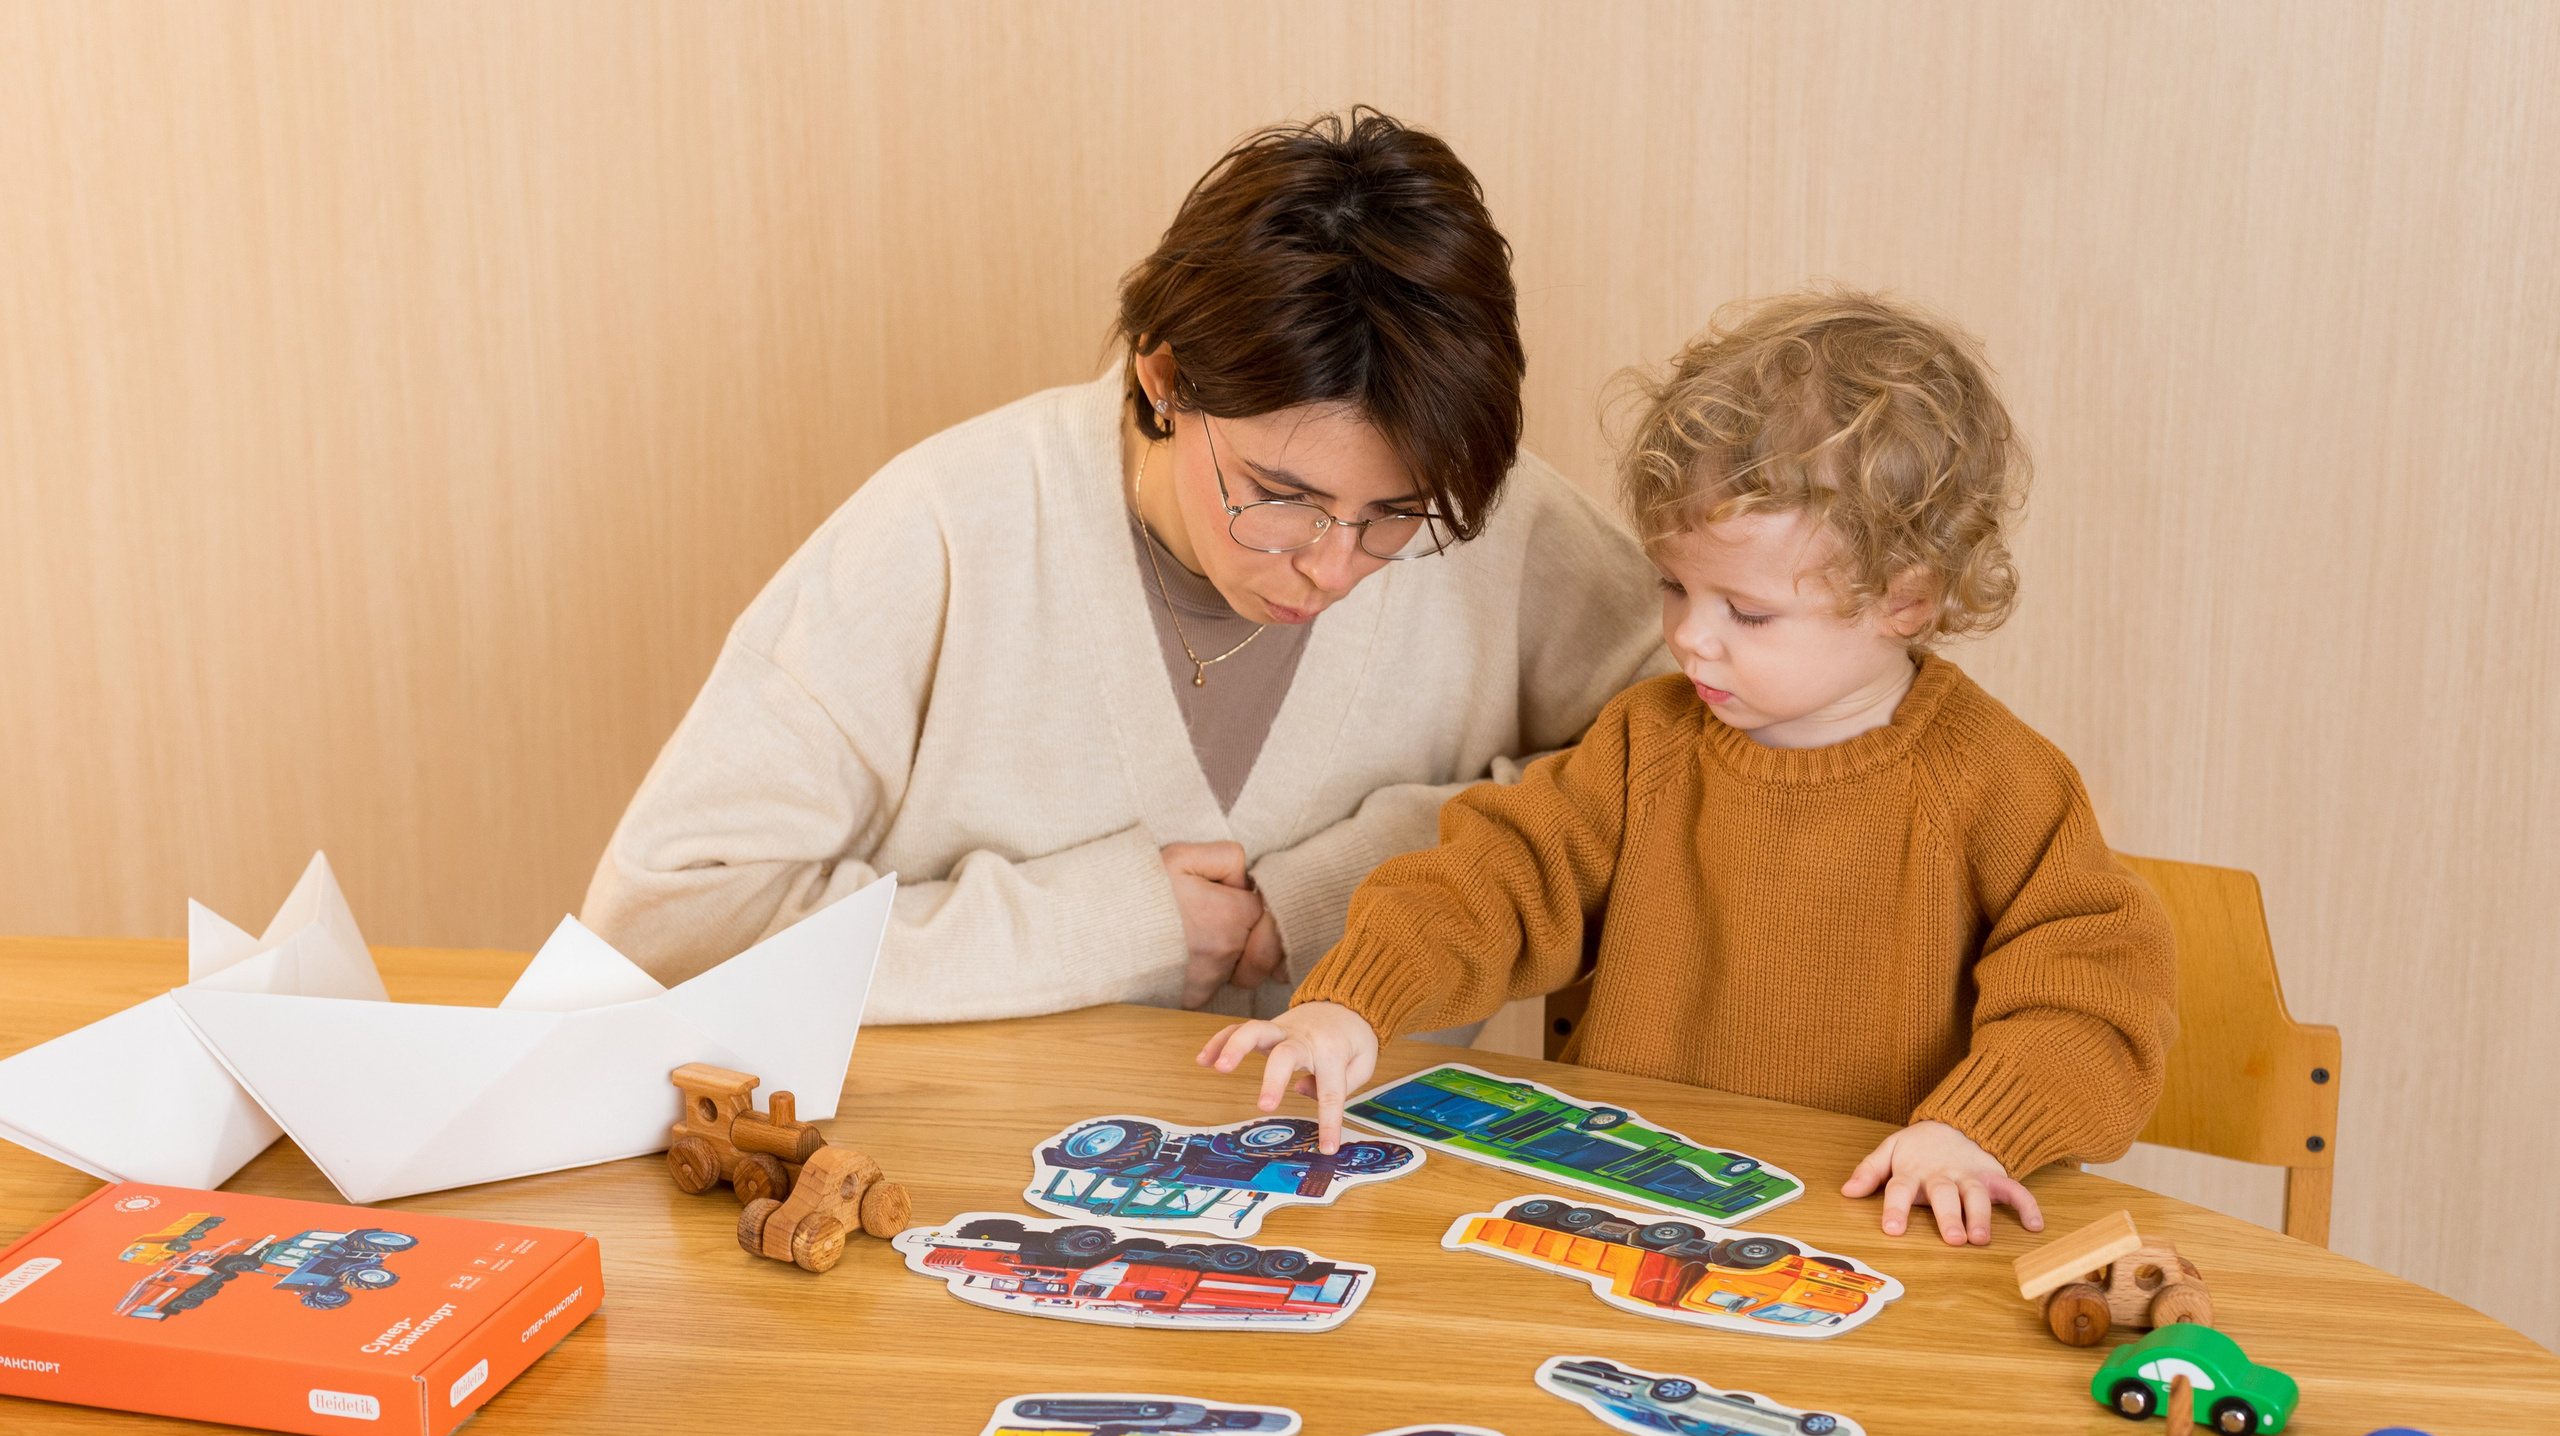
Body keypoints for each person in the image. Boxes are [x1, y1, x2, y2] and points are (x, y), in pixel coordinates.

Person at [582, 110, 1663, 1024]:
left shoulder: (1498, 516)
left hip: (1371, 1210)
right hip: (950, 1200)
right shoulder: (944, 530)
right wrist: (1107, 926)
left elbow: (1687, 770)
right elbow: (668, 928)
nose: (1332, 568)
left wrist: (1363, 879)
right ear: (1163, 381)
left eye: (1392, 517)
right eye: (1280, 499)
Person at [1199, 289, 2179, 1246]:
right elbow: (1489, 879)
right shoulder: (1649, 743)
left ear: (1907, 600)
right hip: (1633, 1220)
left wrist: (1974, 1129)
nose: (1689, 639)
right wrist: (1352, 999)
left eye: (1745, 612)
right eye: (1673, 586)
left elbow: (2092, 997)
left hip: (1882, 1233)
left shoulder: (1996, 782)